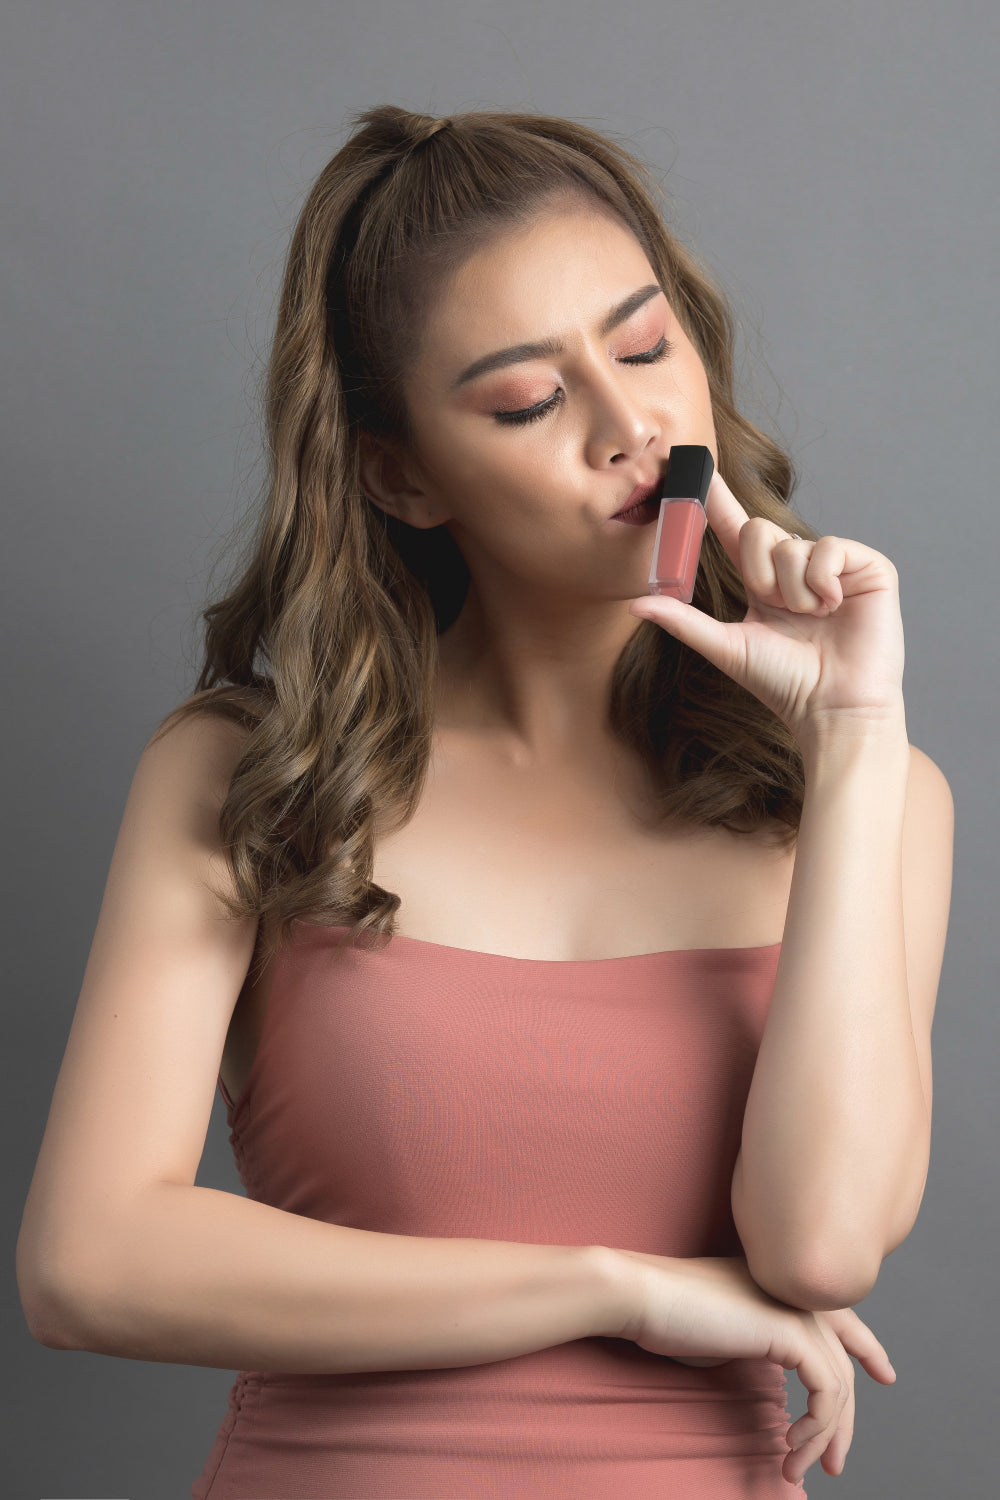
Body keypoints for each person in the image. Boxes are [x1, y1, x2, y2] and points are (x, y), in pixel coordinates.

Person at [16, 105, 952, 1499]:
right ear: (400, 473)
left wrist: (857, 736)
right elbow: (89, 1265)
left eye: (647, 347)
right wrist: (612, 1287)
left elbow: (820, 1248)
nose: (631, 428)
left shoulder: (871, 795)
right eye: (528, 402)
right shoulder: (247, 776)